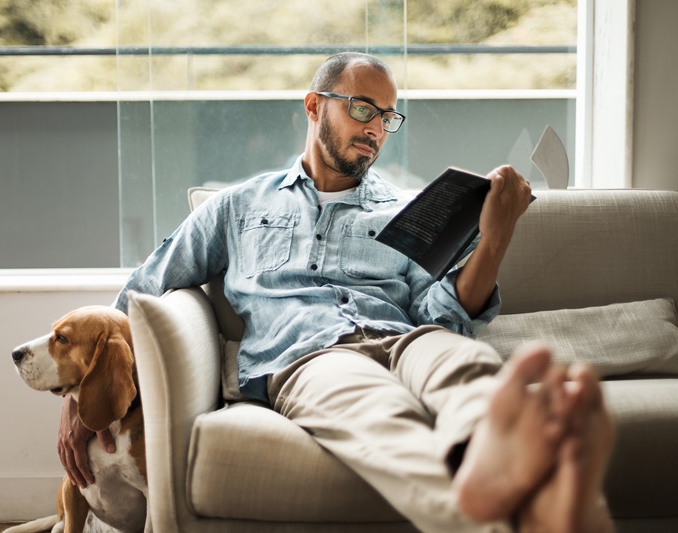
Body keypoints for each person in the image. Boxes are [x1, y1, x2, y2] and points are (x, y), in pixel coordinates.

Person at [57, 52, 615, 532]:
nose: (376, 128)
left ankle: (524, 467)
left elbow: (443, 317)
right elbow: (143, 287)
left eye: (388, 117)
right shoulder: (239, 206)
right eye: (362, 109)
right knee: (381, 416)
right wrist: (82, 397)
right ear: (313, 105)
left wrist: (495, 238)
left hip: (409, 338)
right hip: (313, 358)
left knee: (466, 369)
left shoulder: (405, 210)